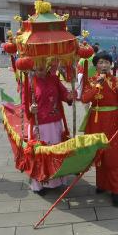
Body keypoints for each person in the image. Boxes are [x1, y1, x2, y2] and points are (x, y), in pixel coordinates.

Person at [80, 51, 118, 207]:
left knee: (113, 158)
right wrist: (97, 85)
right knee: (99, 155)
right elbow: (85, 99)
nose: (104, 65)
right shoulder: (91, 81)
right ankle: (101, 185)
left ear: (111, 64)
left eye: (107, 62)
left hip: (114, 123)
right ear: (96, 65)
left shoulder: (117, 82)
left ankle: (115, 190)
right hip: (95, 122)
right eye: (100, 62)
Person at [24, 59, 74, 195]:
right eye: (37, 68)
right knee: (41, 152)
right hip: (39, 124)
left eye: (42, 67)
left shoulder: (54, 79)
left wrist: (70, 96)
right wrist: (30, 109)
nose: (39, 70)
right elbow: (25, 104)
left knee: (56, 151)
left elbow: (64, 93)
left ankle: (55, 180)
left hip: (55, 123)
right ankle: (38, 183)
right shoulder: (29, 81)